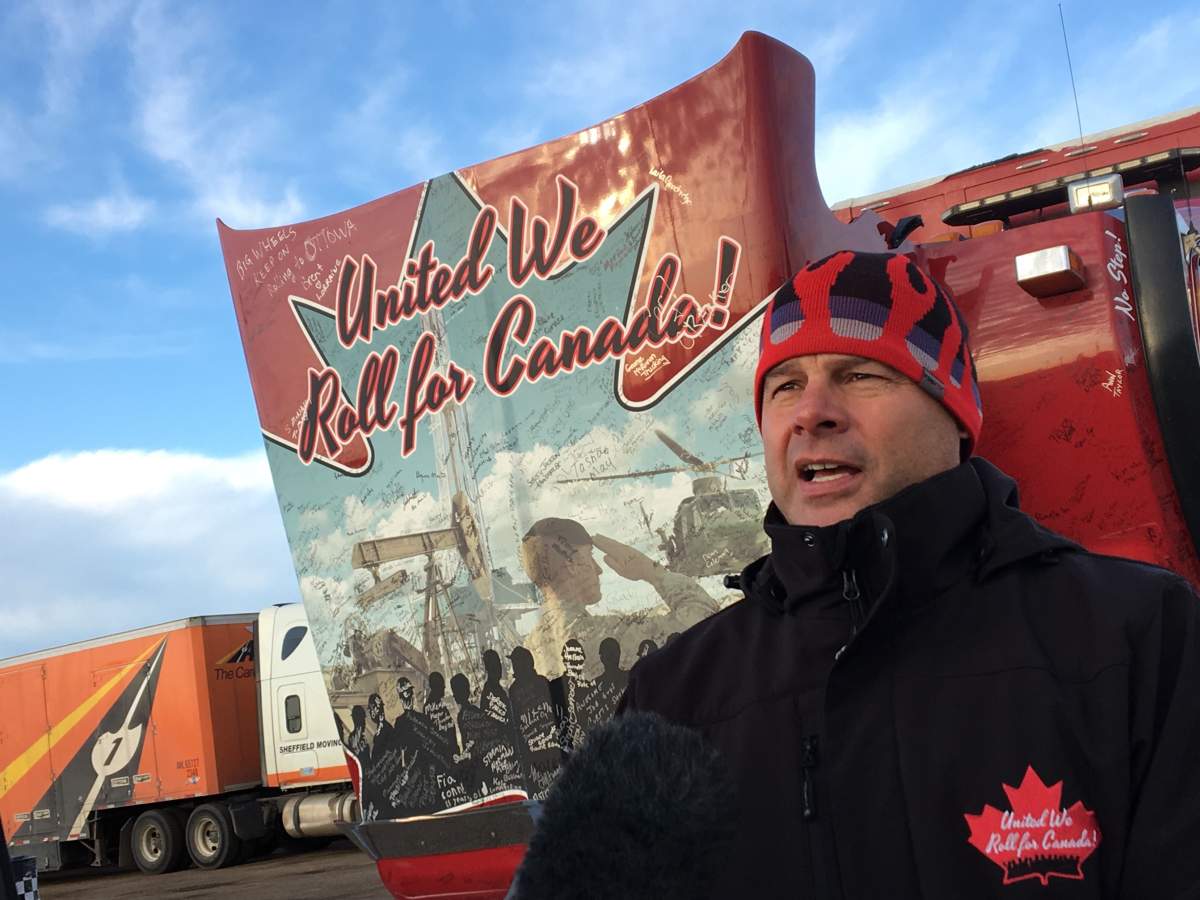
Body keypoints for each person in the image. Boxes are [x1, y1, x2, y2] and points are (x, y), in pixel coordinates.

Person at [618, 250, 1200, 897]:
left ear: (955, 413)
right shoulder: (669, 701)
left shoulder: (1141, 637)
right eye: (785, 386)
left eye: (860, 374)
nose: (812, 412)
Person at [518, 519, 719, 677]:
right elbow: (704, 624)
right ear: (572, 564)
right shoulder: (603, 636)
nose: (598, 570)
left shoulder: (529, 649)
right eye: (590, 556)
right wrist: (651, 570)